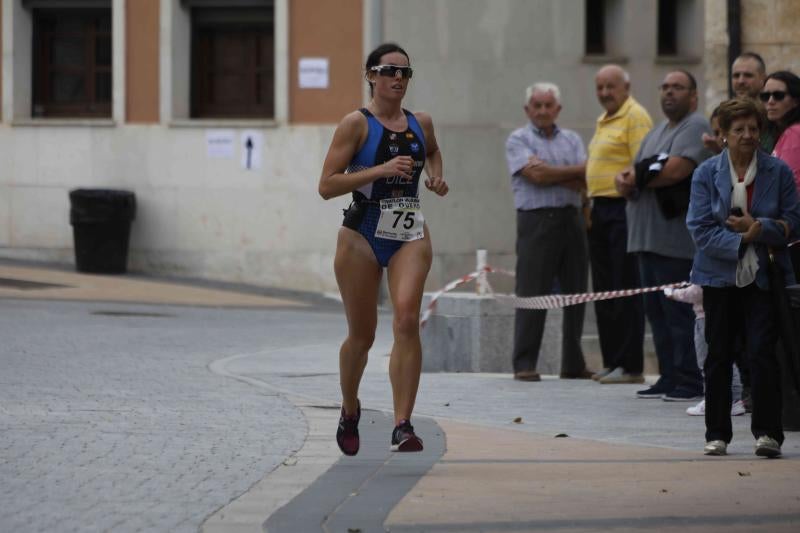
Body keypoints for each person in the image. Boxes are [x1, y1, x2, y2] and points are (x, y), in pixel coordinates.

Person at [318, 43, 448, 455]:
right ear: (371, 75)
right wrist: (380, 170)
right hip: (362, 230)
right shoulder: (355, 124)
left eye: (405, 73)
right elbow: (326, 185)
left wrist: (436, 178)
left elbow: (431, 151)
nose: (398, 79)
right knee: (362, 335)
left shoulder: (420, 122)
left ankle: (402, 424)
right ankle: (350, 407)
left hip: (409, 228)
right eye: (389, 71)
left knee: (407, 320)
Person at [686, 97, 800, 457]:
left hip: (765, 277)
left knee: (762, 352)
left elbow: (793, 222)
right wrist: (740, 240)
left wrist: (758, 229)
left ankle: (768, 433)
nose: (748, 135)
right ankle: (717, 433)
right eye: (739, 130)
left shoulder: (777, 171)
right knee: (717, 354)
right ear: (723, 135)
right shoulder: (706, 173)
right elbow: (700, 228)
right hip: (718, 277)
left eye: (753, 128)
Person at [615, 70, 712, 402]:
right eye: (666, 87)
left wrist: (641, 175)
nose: (670, 92)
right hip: (645, 237)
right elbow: (634, 172)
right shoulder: (656, 132)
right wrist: (642, 173)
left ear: (693, 96)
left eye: (678, 87)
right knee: (655, 312)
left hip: (674, 242)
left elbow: (675, 171)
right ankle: (669, 375)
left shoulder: (696, 126)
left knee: (678, 313)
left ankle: (689, 379)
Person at [505, 82, 592, 382]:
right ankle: (525, 363)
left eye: (548, 105)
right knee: (532, 291)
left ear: (558, 109)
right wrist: (570, 173)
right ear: (527, 109)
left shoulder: (572, 139)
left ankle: (573, 363)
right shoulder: (518, 139)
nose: (542, 111)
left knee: (576, 292)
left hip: (572, 219)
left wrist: (551, 173)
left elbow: (587, 177)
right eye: (537, 105)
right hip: (536, 220)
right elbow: (537, 176)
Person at [586, 65, 652, 385]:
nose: (604, 93)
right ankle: (612, 360)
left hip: (622, 208)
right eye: (599, 87)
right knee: (604, 290)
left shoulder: (634, 115)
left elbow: (642, 162)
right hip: (600, 209)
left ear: (626, 86)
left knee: (624, 286)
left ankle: (630, 366)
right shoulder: (604, 119)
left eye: (610, 87)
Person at [664, 283, 745, 416]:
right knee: (725, 359)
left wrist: (674, 294)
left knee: (707, 362)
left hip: (706, 317)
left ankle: (713, 400)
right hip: (721, 313)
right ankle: (733, 399)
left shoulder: (706, 265)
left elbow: (697, 292)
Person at [703, 52, 768, 153]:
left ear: (763, 78)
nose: (741, 81)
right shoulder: (723, 114)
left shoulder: (772, 114)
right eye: (736, 75)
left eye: (748, 75)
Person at [763, 71, 800, 188]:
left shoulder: (795, 133)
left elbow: (791, 185)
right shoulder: (784, 132)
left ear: (795, 101)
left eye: (778, 95)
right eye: (765, 96)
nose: (770, 101)